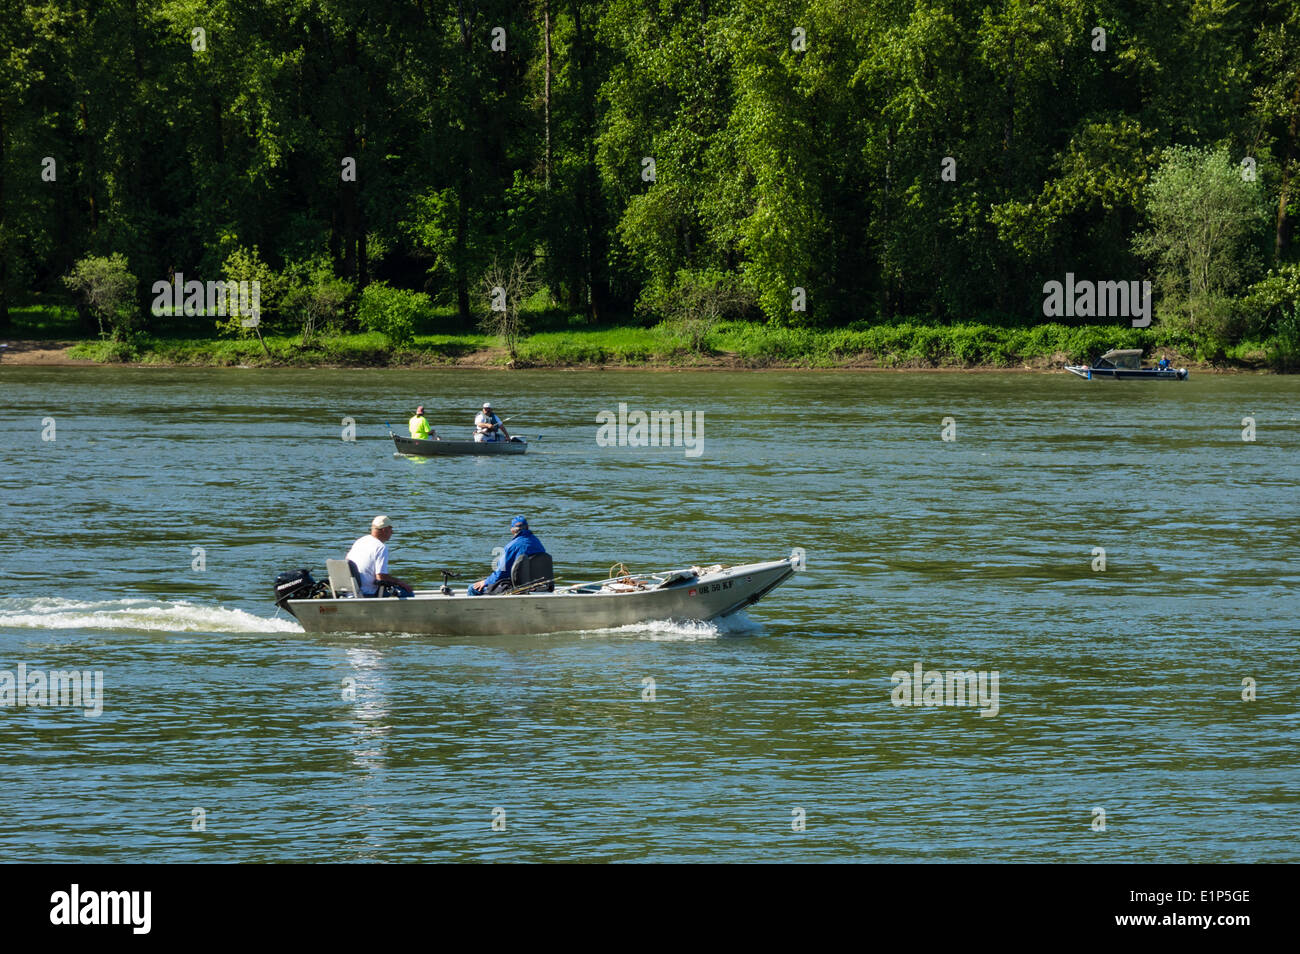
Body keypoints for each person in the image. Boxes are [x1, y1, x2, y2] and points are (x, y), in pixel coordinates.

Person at [469, 516, 546, 595]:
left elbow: (501, 573)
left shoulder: (511, 547)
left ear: (512, 531)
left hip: (517, 587)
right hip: (536, 585)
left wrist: (485, 581)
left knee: (472, 588)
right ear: (527, 527)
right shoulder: (537, 543)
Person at [346, 515, 414, 597]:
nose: (392, 532)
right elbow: (381, 577)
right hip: (367, 592)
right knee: (408, 593)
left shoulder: (360, 541)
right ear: (384, 530)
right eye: (390, 528)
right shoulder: (381, 547)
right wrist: (400, 582)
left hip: (350, 591)